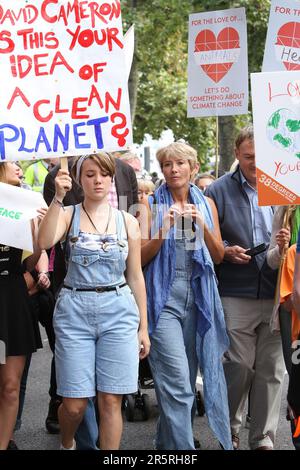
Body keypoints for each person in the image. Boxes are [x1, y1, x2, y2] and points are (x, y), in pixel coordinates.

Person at [38, 152, 150, 450]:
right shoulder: (67, 214)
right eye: (89, 174)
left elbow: (136, 276)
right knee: (74, 404)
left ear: (112, 178)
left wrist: (143, 327)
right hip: (74, 310)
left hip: (119, 310)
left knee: (111, 399)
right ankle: (67, 443)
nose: (97, 180)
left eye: (103, 174)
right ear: (79, 179)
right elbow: (44, 242)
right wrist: (57, 199)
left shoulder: (128, 221)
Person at [141, 141, 232, 450]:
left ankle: (166, 448)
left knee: (178, 386)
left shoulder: (207, 204)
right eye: (168, 164)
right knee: (180, 386)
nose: (174, 169)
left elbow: (218, 255)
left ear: (194, 169)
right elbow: (138, 259)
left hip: (199, 300)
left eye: (180, 164)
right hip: (162, 300)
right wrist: (163, 228)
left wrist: (202, 224)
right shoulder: (148, 204)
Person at [205, 125, 285, 450]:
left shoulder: (283, 188)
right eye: (249, 156)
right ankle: (230, 429)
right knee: (238, 364)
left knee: (272, 370)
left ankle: (263, 437)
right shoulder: (217, 191)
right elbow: (207, 236)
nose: (255, 162)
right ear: (237, 154)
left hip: (277, 289)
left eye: (260, 156)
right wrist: (224, 249)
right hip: (235, 289)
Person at [0, 162, 43, 450]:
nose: (19, 167)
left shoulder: (21, 204)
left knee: (10, 385)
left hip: (11, 299)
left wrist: (37, 233)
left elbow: (31, 260)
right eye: (12, 161)